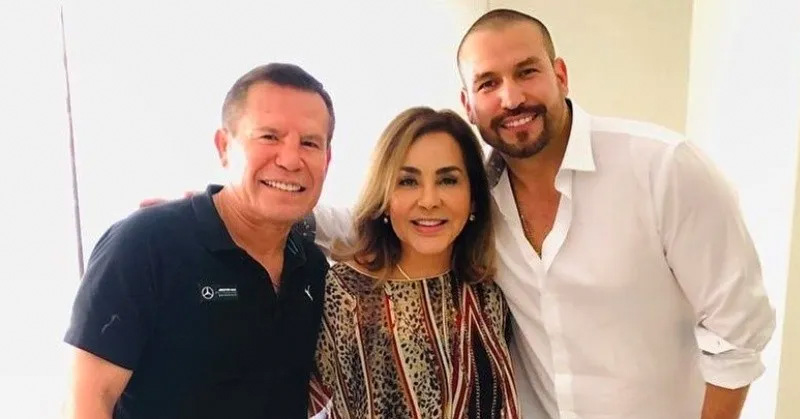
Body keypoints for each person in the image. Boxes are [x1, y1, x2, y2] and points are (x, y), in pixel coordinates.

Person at [311, 9, 775, 419]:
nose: (511, 98)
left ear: (561, 75)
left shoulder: (663, 168)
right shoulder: (474, 199)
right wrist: (272, 206)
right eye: (488, 83)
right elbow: (370, 220)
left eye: (526, 72)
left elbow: (738, 332)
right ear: (468, 103)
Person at [64, 63, 334, 419]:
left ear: (327, 159)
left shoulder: (312, 267)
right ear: (224, 147)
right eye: (269, 137)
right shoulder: (145, 245)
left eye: (310, 143)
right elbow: (88, 400)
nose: (290, 159)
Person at [306, 107, 520, 418]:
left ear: (473, 198)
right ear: (384, 195)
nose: (429, 200)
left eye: (448, 180)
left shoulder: (490, 290)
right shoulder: (345, 295)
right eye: (408, 181)